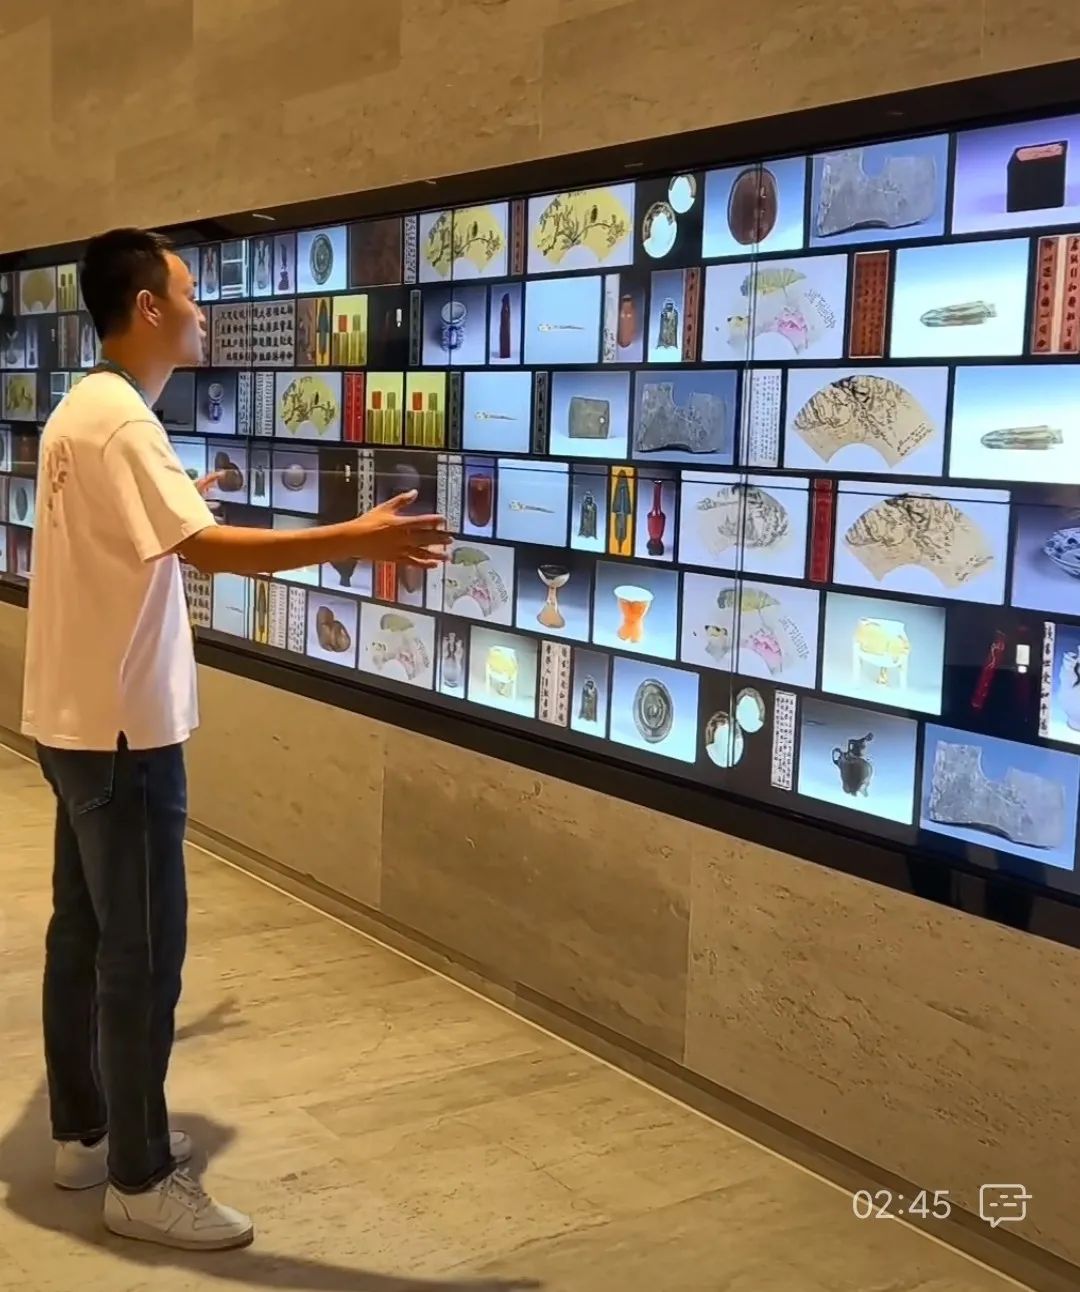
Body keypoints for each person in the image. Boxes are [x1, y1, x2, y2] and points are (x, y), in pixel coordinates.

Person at [21, 228, 451, 1251]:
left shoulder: (85, 409)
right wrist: (361, 537)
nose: (202, 309)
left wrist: (182, 511)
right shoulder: (124, 422)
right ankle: (139, 1177)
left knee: (81, 933)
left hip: (76, 722)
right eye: (188, 291)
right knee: (144, 954)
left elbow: (134, 537)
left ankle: (86, 1131)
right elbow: (206, 552)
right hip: (125, 736)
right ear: (147, 307)